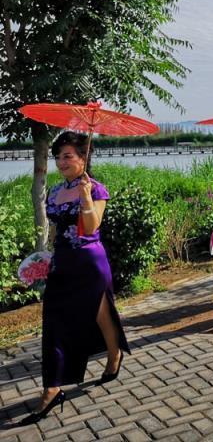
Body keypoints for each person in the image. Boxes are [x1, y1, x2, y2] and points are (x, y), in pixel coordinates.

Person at [21, 132, 130, 425]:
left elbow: (92, 226)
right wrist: (45, 259)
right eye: (58, 157)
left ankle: (114, 356)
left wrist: (85, 197)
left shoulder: (96, 189)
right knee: (53, 321)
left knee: (102, 316)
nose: (61, 162)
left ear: (83, 158)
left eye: (68, 156)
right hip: (62, 263)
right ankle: (53, 387)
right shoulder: (55, 191)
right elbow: (55, 230)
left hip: (89, 261)